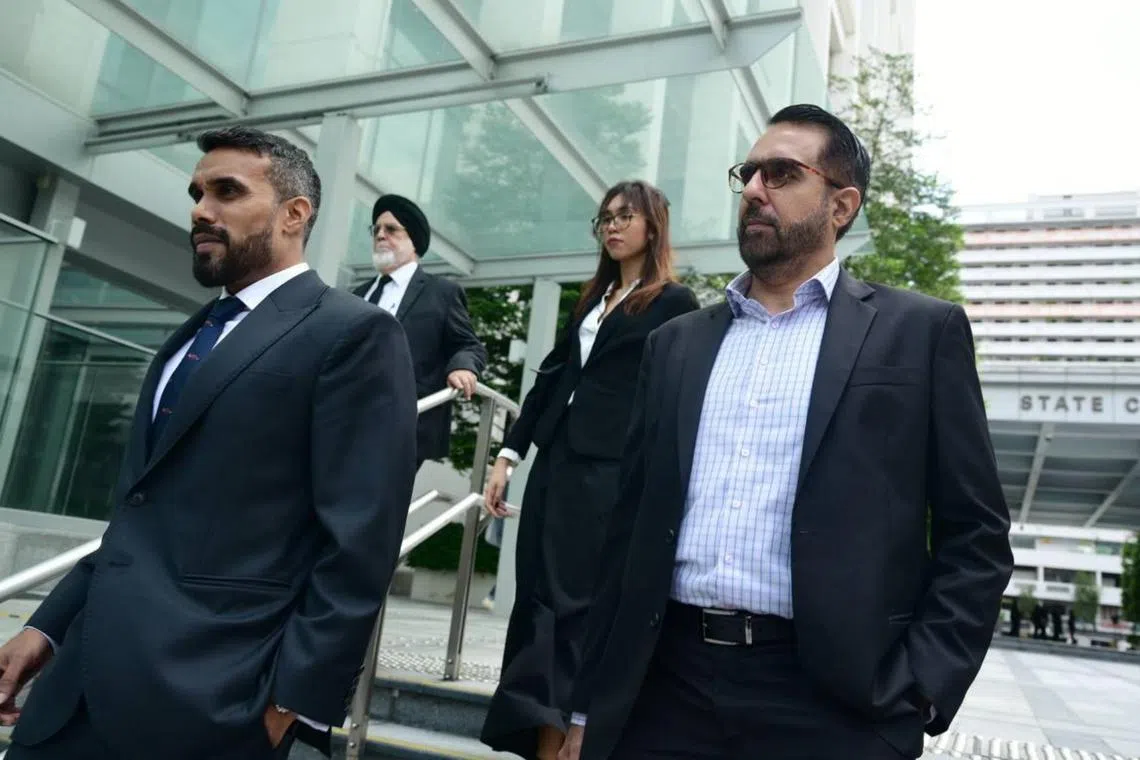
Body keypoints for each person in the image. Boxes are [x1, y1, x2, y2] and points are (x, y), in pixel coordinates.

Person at [558, 105, 1014, 760]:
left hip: (835, 705)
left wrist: (921, 685)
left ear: (841, 205)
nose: (753, 189)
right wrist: (588, 704)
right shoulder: (675, 344)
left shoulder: (920, 333)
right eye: (747, 173)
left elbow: (976, 532)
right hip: (664, 692)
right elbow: (628, 531)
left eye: (781, 173)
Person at [0, 127, 419, 760]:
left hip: (212, 703)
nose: (201, 209)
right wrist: (47, 627)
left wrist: (291, 703)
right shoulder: (189, 339)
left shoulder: (355, 334)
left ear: (294, 214)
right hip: (73, 695)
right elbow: (141, 515)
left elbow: (360, 543)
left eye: (227, 191)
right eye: (197, 193)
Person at [480, 181, 700, 760]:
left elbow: (679, 394)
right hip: (557, 465)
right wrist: (508, 456)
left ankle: (571, 737)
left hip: (610, 473)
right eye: (605, 218)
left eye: (626, 216)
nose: (612, 226)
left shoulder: (673, 302)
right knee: (539, 598)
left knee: (577, 604)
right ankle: (541, 737)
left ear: (653, 226)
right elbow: (552, 377)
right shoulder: (593, 299)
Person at [352, 194, 487, 470]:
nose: (380, 235)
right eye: (376, 230)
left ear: (413, 239)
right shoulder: (356, 295)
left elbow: (469, 345)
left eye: (391, 229)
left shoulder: (441, 293)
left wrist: (463, 367)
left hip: (402, 426)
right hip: (346, 420)